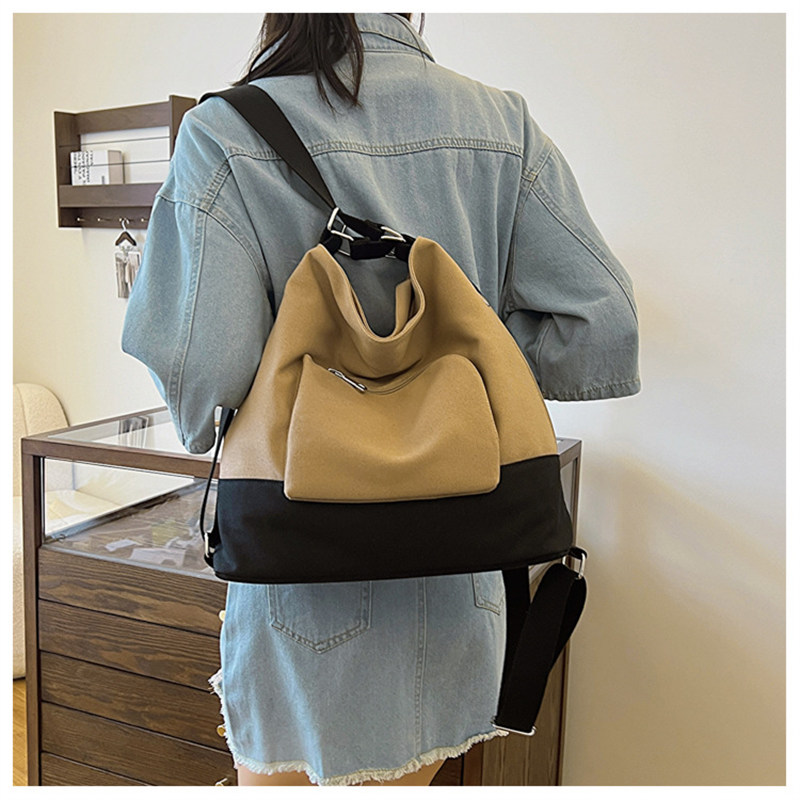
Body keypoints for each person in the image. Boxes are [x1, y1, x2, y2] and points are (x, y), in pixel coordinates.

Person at [121, 12, 640, 787]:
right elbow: (602, 326)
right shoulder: (503, 124)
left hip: (309, 598)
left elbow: (205, 384)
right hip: (467, 588)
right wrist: (456, 375)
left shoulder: (225, 133)